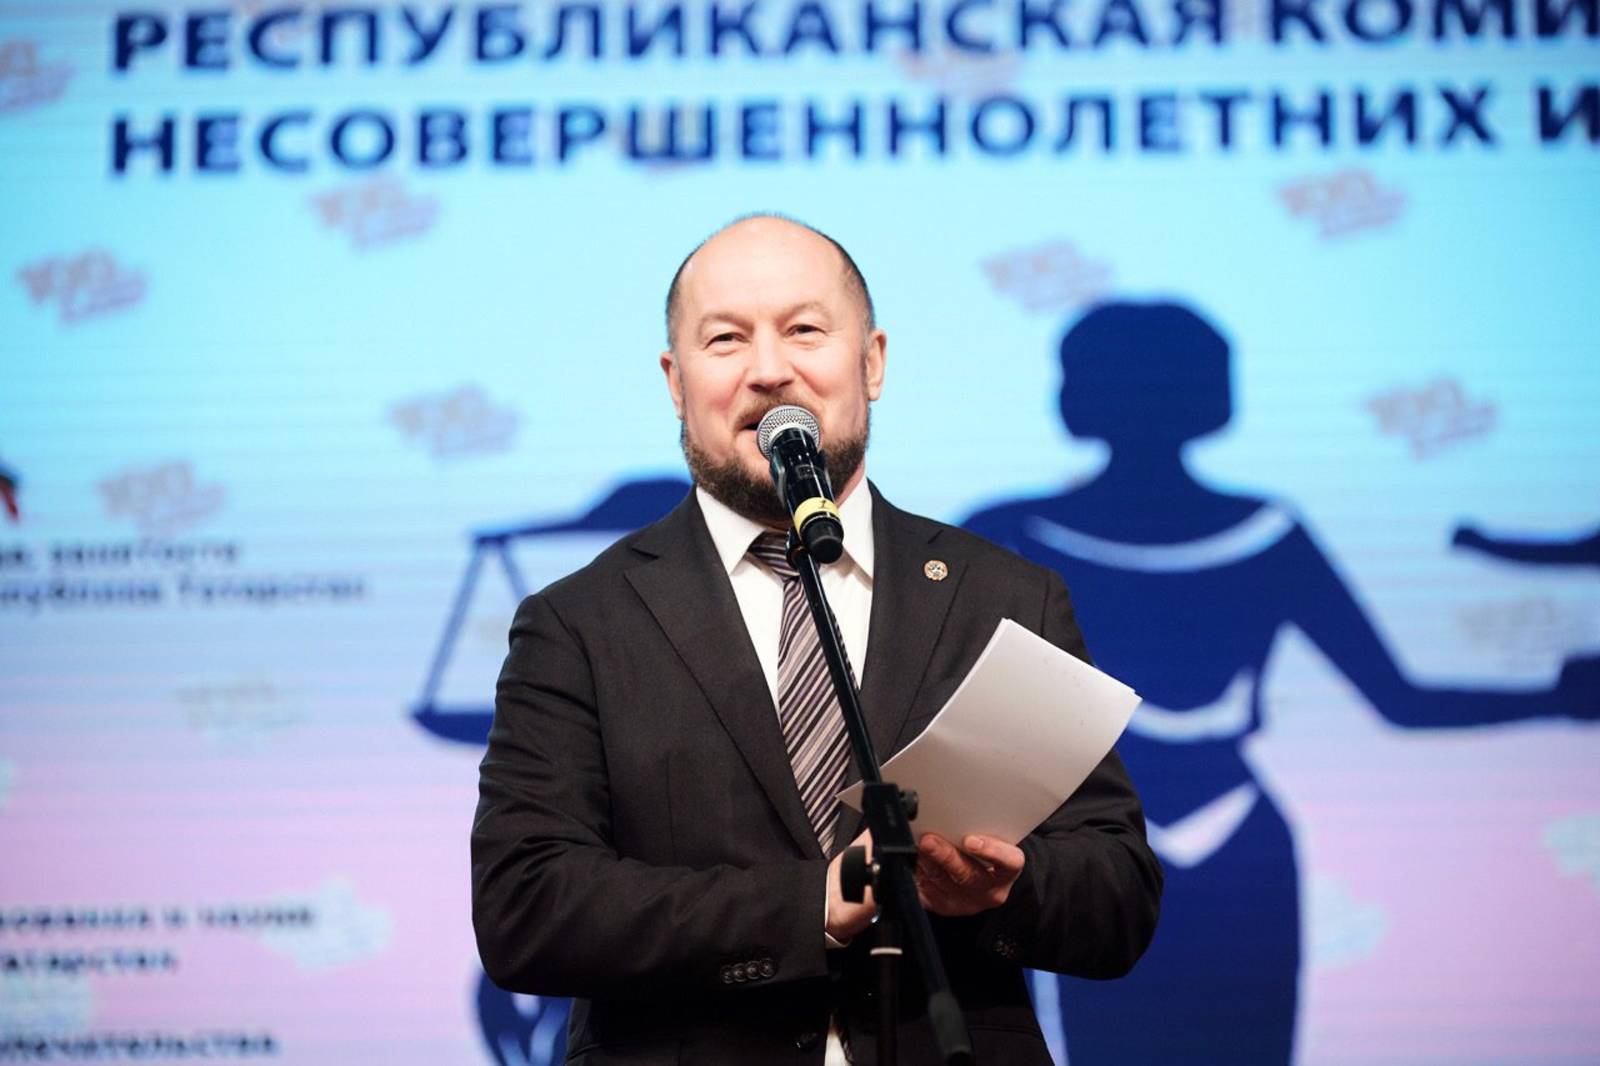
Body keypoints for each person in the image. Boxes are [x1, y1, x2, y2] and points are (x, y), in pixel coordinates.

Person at [471, 215, 1163, 1065]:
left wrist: (1007, 888)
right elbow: (526, 908)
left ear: (871, 363)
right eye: (725, 339)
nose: (769, 370)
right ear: (676, 382)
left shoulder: (1004, 597)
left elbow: (1119, 896)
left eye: (804, 330)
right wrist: (813, 904)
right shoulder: (581, 622)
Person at [962, 300, 1600, 1065]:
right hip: (1139, 858)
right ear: (1215, 393)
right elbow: (1403, 702)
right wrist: (1558, 697)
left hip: (1147, 858)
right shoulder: (1034, 532)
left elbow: (1400, 702)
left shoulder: (1011, 530)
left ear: (1080, 395)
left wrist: (1562, 697)